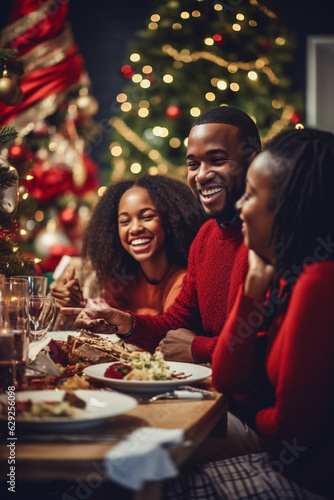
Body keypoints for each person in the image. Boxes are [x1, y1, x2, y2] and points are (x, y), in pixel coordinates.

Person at [164, 128, 334, 499]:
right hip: (282, 457)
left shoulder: (318, 282)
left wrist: (254, 422)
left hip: (305, 477)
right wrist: (254, 285)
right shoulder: (288, 273)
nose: (241, 206)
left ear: (289, 206)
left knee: (154, 482)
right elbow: (227, 374)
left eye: (253, 195)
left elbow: (290, 433)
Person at [61, 106, 261, 363]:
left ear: (254, 162)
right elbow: (176, 324)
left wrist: (198, 348)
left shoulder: (271, 240)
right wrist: (126, 323)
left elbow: (270, 346)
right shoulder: (206, 237)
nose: (201, 175)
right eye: (193, 164)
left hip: (250, 401)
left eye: (217, 160)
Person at [51, 174, 204, 328]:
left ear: (170, 221)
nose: (135, 228)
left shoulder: (183, 281)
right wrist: (75, 305)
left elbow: (169, 333)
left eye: (147, 217)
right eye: (125, 221)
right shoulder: (120, 280)